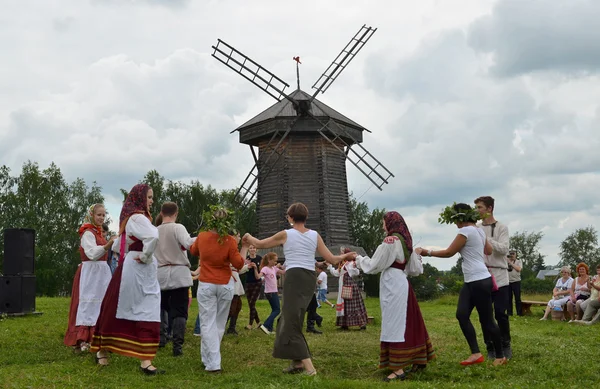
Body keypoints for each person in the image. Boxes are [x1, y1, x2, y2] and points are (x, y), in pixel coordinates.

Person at [242, 202, 350, 376]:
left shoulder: (286, 233)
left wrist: (247, 237)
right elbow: (332, 258)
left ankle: (309, 368)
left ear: (291, 218)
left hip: (295, 277)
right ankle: (297, 363)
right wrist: (346, 255)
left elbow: (260, 244)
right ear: (305, 217)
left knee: (291, 321)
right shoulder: (315, 235)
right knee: (294, 318)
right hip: (309, 278)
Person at [416, 202, 506, 367]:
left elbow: (449, 252)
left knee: (487, 320)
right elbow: (489, 251)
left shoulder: (465, 231)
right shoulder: (479, 231)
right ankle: (476, 353)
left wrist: (426, 252)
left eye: (454, 219)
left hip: (479, 280)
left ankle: (500, 356)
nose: (454, 223)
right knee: (462, 314)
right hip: (472, 280)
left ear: (461, 218)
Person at [90, 184, 165, 375]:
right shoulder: (138, 218)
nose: (151, 201)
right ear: (139, 199)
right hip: (137, 267)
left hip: (139, 266)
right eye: (149, 197)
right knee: (125, 306)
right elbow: (153, 236)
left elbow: (124, 242)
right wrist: (147, 256)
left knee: (143, 308)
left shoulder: (137, 218)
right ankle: (104, 349)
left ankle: (144, 359)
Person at [354, 211, 434, 382]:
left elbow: (375, 265)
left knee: (394, 323)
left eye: (383, 222)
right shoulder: (406, 241)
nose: (382, 226)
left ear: (390, 223)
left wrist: (358, 259)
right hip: (402, 283)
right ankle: (418, 359)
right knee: (409, 322)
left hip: (392, 284)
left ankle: (398, 368)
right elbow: (415, 269)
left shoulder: (390, 241)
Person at [189, 206, 248, 373]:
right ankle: (209, 358)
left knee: (207, 323)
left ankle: (213, 362)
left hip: (207, 283)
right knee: (219, 323)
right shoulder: (229, 240)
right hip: (225, 284)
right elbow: (238, 264)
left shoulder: (202, 236)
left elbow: (193, 250)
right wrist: (242, 247)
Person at [64, 204, 115, 353]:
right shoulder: (87, 233)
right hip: (90, 273)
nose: (101, 218)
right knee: (88, 304)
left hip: (101, 273)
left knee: (101, 303)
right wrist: (108, 246)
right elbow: (92, 254)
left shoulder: (98, 233)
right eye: (98, 215)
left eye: (103, 215)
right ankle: (83, 339)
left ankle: (98, 338)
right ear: (91, 215)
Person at [154, 202, 196, 356]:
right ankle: (177, 347)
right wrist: (203, 237)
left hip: (160, 273)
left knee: (161, 307)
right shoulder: (178, 227)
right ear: (176, 213)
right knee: (179, 311)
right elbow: (188, 243)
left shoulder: (155, 230)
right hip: (178, 272)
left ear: (161, 212)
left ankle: (161, 339)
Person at [474, 196, 512, 359]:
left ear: (489, 208)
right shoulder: (475, 227)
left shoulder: (502, 228)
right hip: (482, 274)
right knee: (485, 314)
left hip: (500, 274)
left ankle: (505, 344)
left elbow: (504, 249)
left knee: (500, 313)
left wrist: (487, 240)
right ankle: (490, 346)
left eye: (480, 207)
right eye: (476, 207)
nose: (477, 210)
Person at [328, 248, 368, 331]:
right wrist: (329, 266)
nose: (341, 255)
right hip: (343, 286)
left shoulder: (351, 264)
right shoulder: (343, 264)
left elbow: (356, 272)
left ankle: (361, 323)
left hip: (350, 286)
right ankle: (344, 324)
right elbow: (336, 273)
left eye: (342, 253)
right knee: (345, 305)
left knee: (354, 305)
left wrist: (353, 267)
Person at [255, 252, 285, 335]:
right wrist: (255, 269)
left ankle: (270, 329)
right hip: (270, 292)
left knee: (274, 309)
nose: (275, 262)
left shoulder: (274, 268)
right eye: (274, 260)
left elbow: (283, 272)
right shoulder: (265, 269)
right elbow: (258, 276)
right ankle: (265, 325)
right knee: (277, 310)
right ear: (269, 260)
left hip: (274, 291)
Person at [226, 231, 250, 336]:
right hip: (229, 280)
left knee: (237, 306)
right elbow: (237, 264)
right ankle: (220, 327)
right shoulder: (228, 248)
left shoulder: (233, 249)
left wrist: (247, 267)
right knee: (231, 307)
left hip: (234, 279)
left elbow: (238, 269)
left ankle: (232, 327)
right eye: (238, 236)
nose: (239, 238)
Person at [244, 245, 263, 330]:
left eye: (254, 248)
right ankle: (258, 322)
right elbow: (242, 269)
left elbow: (262, 270)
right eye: (251, 248)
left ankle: (250, 324)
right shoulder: (246, 259)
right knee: (250, 304)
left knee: (252, 303)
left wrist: (256, 267)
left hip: (257, 283)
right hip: (248, 282)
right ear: (248, 249)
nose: (252, 249)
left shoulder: (259, 258)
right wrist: (247, 265)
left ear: (256, 249)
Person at [506, 250, 523, 316]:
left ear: (516, 255)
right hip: (508, 281)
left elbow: (518, 269)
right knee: (509, 298)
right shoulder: (506, 262)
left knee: (517, 298)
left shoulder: (518, 261)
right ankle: (509, 313)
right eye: (510, 254)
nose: (512, 255)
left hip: (516, 281)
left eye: (513, 254)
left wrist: (511, 263)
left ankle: (519, 313)